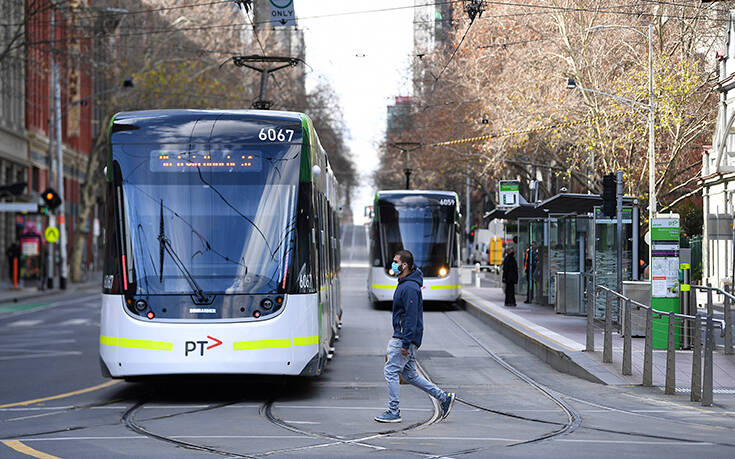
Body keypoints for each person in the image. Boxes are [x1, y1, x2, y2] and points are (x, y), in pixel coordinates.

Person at [374, 249, 456, 423]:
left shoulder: (410, 287)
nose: (393, 264)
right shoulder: (406, 283)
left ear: (404, 265)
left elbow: (411, 317)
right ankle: (443, 398)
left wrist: (405, 343)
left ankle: (394, 411)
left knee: (390, 371)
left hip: (404, 337)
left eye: (396, 262)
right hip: (405, 337)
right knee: (410, 375)